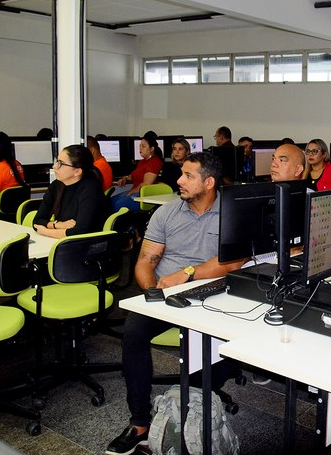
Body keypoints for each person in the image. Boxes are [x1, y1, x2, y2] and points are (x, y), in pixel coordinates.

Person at [105, 152, 244, 455]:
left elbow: (231, 263)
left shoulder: (232, 213)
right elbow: (145, 260)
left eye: (188, 176)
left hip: (213, 292)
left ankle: (194, 395)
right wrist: (152, 291)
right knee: (133, 333)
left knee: (241, 338)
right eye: (181, 173)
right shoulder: (167, 212)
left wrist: (188, 273)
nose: (179, 181)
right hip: (166, 293)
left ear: (209, 183)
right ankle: (139, 422)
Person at [34, 145, 110, 239]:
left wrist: (46, 231)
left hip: (87, 245)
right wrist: (58, 225)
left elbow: (80, 231)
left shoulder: (90, 188)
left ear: (77, 171)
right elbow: (37, 221)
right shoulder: (56, 185)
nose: (54, 166)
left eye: (61, 163)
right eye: (57, 161)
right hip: (65, 242)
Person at [112, 135, 163, 211]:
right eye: (140, 146)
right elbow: (133, 176)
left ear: (151, 149)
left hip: (144, 195)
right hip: (136, 192)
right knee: (111, 201)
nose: (140, 148)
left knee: (118, 205)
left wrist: (130, 192)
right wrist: (125, 178)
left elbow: (145, 184)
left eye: (143, 146)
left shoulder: (154, 162)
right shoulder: (142, 162)